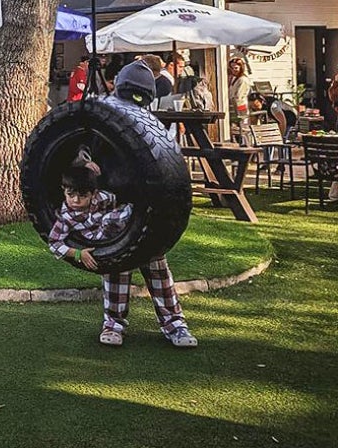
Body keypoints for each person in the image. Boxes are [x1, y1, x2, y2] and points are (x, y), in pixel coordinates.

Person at [48, 160, 198, 348]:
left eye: (82, 196)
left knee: (158, 274)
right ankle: (113, 325)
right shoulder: (65, 217)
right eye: (71, 195)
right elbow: (54, 243)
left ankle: (175, 325)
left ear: (92, 194)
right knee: (115, 276)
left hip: (137, 235)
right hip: (110, 246)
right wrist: (77, 254)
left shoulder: (102, 197)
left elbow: (123, 197)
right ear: (64, 191)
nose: (76, 201)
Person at [227, 57, 252, 139]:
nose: (234, 70)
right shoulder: (234, 79)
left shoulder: (243, 80)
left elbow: (239, 96)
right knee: (235, 128)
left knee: (243, 126)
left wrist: (237, 109)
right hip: (233, 106)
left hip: (241, 106)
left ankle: (246, 143)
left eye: (236, 68)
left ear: (241, 68)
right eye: (232, 68)